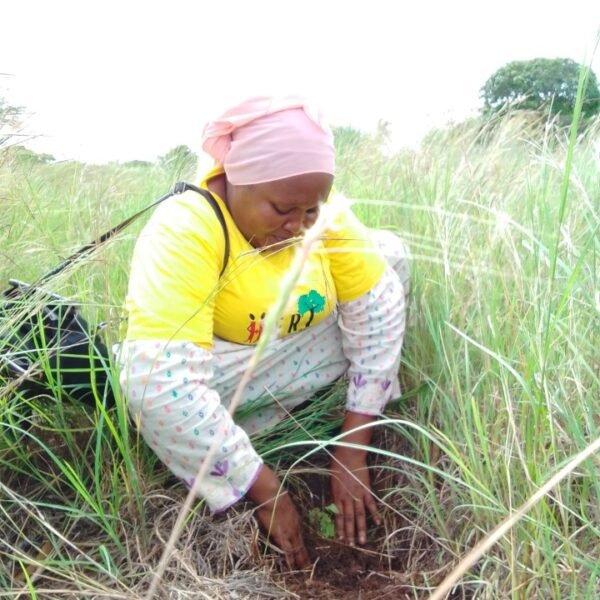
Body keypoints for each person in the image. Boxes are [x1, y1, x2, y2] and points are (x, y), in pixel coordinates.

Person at [117, 96, 410, 569]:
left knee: (389, 257)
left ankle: (318, 417)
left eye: (311, 211)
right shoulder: (186, 227)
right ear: (236, 178)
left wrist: (353, 448)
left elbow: (380, 310)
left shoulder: (321, 214)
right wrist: (264, 489)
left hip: (287, 362)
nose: (298, 227)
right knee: (149, 378)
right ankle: (228, 451)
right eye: (282, 209)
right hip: (222, 382)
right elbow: (159, 383)